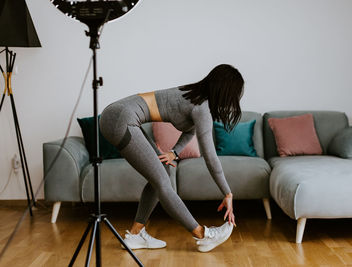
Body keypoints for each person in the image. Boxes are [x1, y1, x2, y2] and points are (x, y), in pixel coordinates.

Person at [99, 64, 244, 252]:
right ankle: (203, 235)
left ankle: (135, 235)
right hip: (121, 119)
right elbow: (210, 157)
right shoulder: (202, 107)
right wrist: (227, 193)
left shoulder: (193, 94)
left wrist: (175, 152)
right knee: (162, 181)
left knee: (163, 170)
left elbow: (190, 128)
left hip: (118, 115)